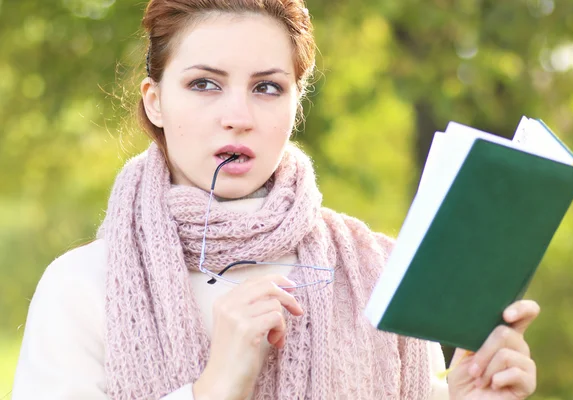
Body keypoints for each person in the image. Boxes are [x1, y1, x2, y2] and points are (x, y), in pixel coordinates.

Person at [12, 0, 540, 399]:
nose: (238, 115)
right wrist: (213, 388)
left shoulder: (379, 274)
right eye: (204, 84)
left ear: (296, 101)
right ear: (155, 102)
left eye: (267, 87)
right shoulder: (82, 287)